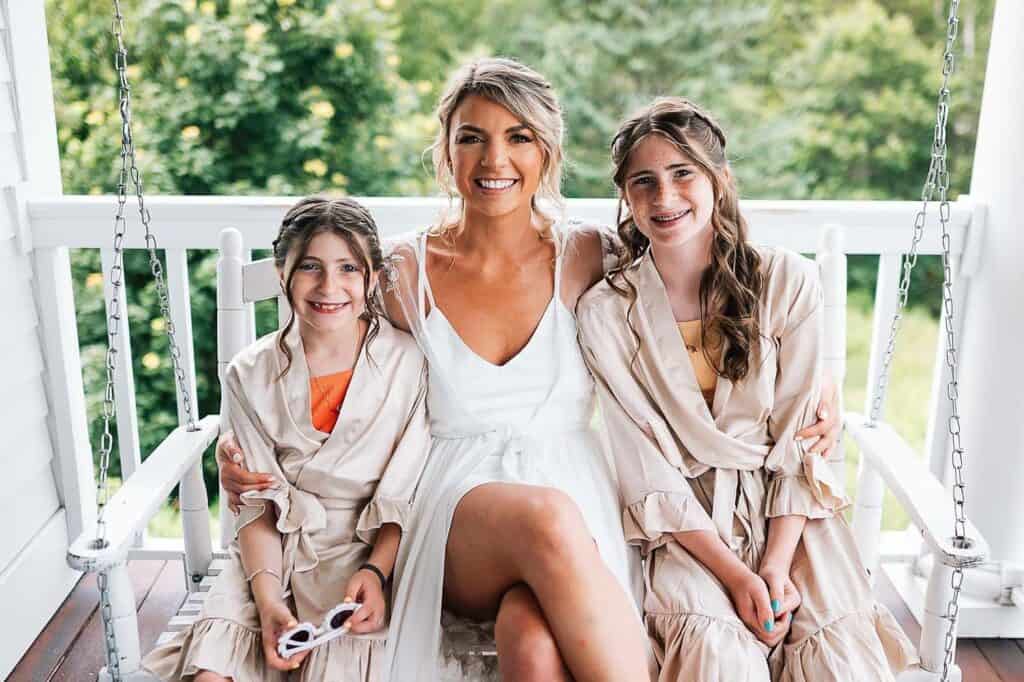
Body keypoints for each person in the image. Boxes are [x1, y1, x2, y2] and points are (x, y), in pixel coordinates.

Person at [216, 58, 841, 681]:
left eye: (518, 138)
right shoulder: (403, 274)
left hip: (583, 500)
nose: (495, 161)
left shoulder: (593, 255)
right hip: (457, 509)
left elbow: (709, 288)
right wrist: (245, 446)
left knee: (532, 639)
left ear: (547, 152)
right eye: (473, 138)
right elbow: (318, 351)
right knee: (545, 519)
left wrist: (823, 386)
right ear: (446, 152)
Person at [576, 97, 917, 681]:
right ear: (625, 198)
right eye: (644, 182)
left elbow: (798, 441)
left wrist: (775, 568)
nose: (665, 198)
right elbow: (643, 464)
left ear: (720, 181)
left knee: (835, 661)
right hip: (684, 526)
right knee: (716, 659)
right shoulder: (607, 311)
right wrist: (736, 575)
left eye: (683, 174)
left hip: (791, 516)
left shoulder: (787, 281)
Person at [143, 197, 430, 681]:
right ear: (283, 274)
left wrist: (378, 572)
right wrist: (270, 601)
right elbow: (256, 504)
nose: (329, 287)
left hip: (369, 555)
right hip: (267, 558)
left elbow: (405, 494)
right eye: (310, 268)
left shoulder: (408, 364)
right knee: (211, 676)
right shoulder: (250, 373)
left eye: (348, 269)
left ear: (373, 279)